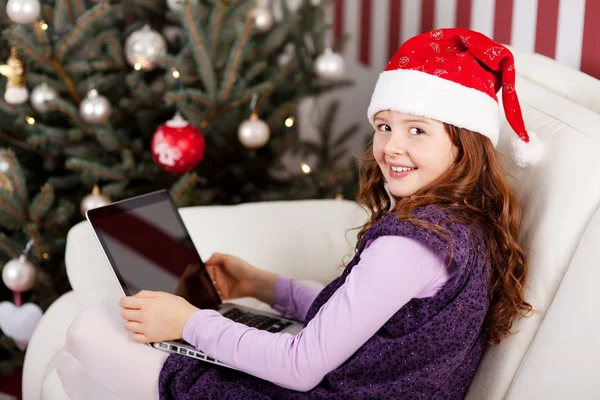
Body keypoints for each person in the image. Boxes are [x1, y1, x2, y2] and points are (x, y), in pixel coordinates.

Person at [60, 28, 544, 400]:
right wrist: (262, 286)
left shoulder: (412, 243)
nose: (392, 146)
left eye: (418, 130)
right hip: (362, 384)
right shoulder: (465, 224)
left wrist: (188, 323)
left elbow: (301, 366)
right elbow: (361, 321)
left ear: (466, 143)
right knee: (85, 369)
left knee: (88, 332)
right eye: (384, 126)